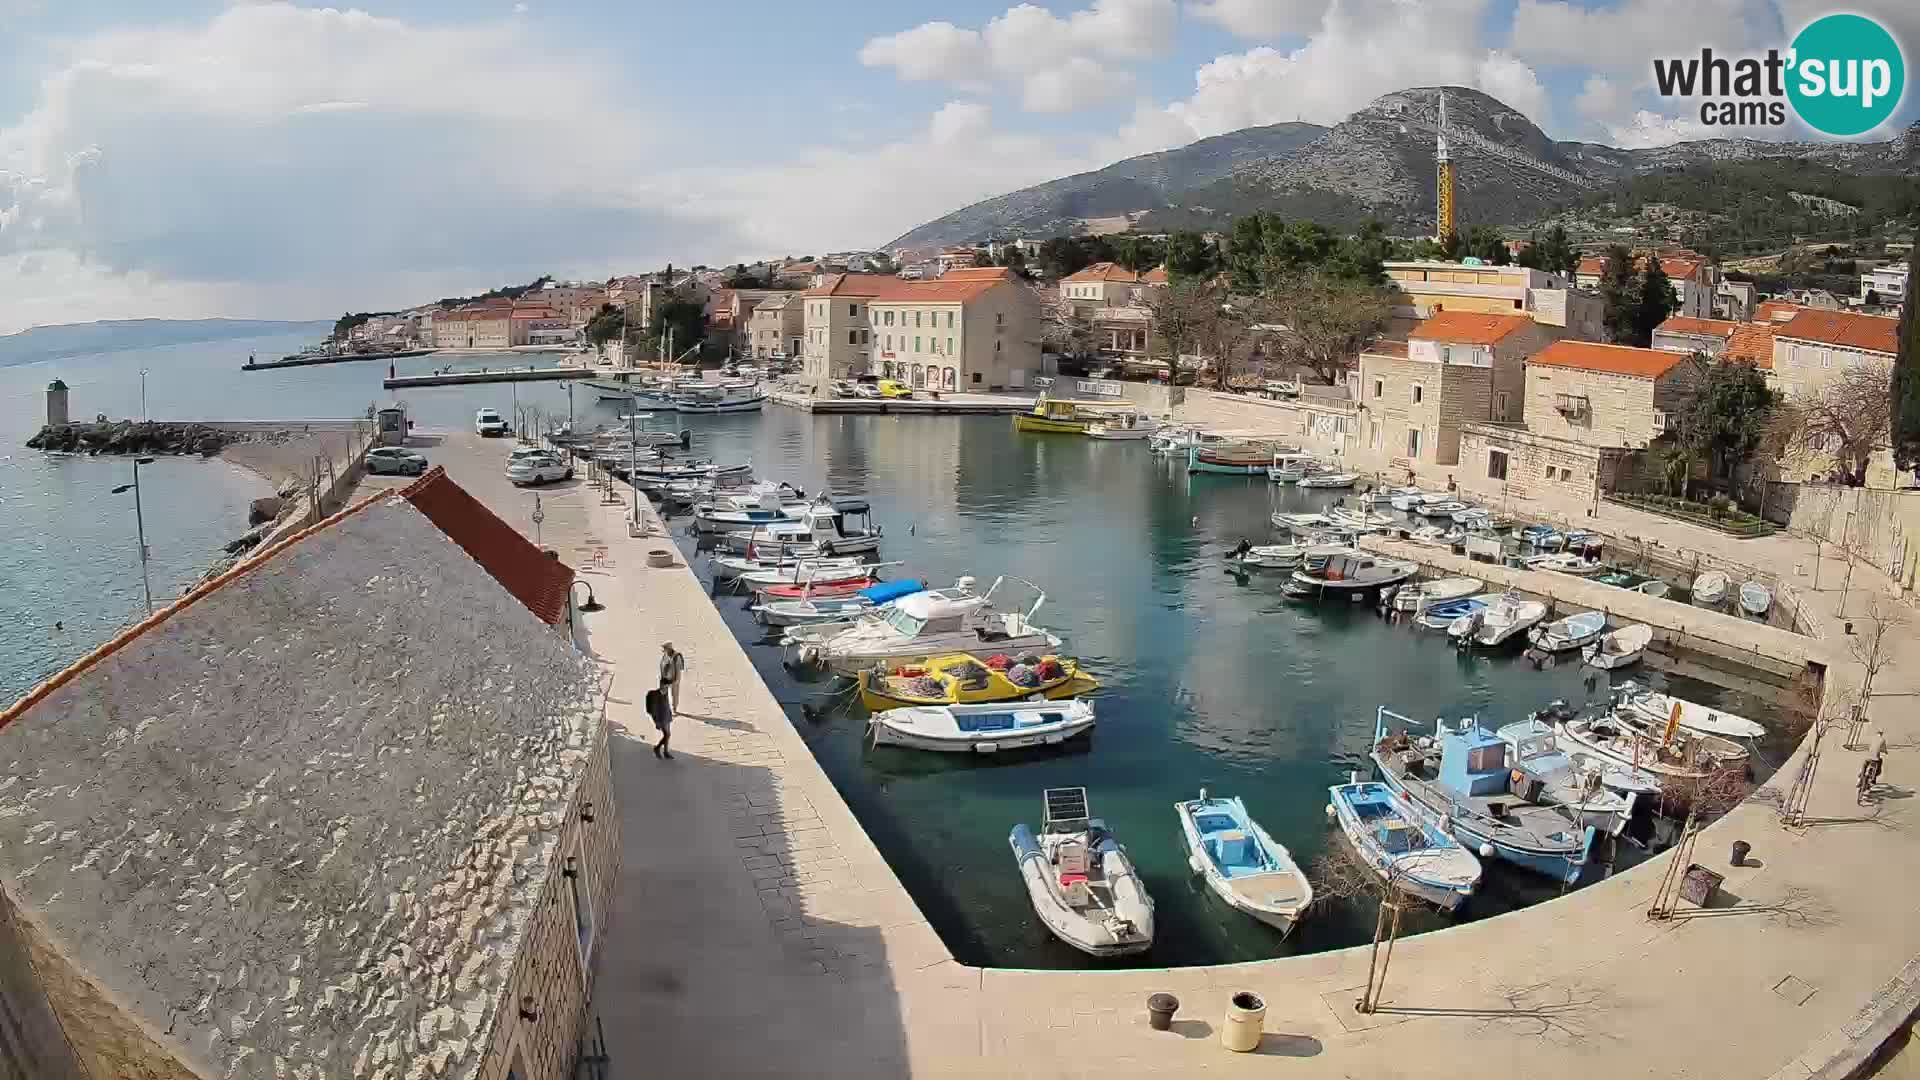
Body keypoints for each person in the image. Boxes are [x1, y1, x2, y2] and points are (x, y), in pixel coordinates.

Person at [646, 687, 673, 759]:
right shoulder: (655, 695)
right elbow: (653, 711)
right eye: (666, 687)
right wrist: (657, 722)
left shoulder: (665, 693)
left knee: (667, 735)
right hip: (661, 719)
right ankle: (658, 749)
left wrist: (670, 715)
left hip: (666, 717)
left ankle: (665, 751)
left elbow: (667, 705)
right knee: (667, 735)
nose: (666, 689)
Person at [659, 641, 685, 714]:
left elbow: (678, 670)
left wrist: (676, 680)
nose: (664, 650)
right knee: (664, 693)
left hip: (674, 679)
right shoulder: (665, 655)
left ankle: (674, 709)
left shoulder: (677, 657)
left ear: (669, 649)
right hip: (665, 678)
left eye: (665, 648)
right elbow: (662, 665)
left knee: (674, 694)